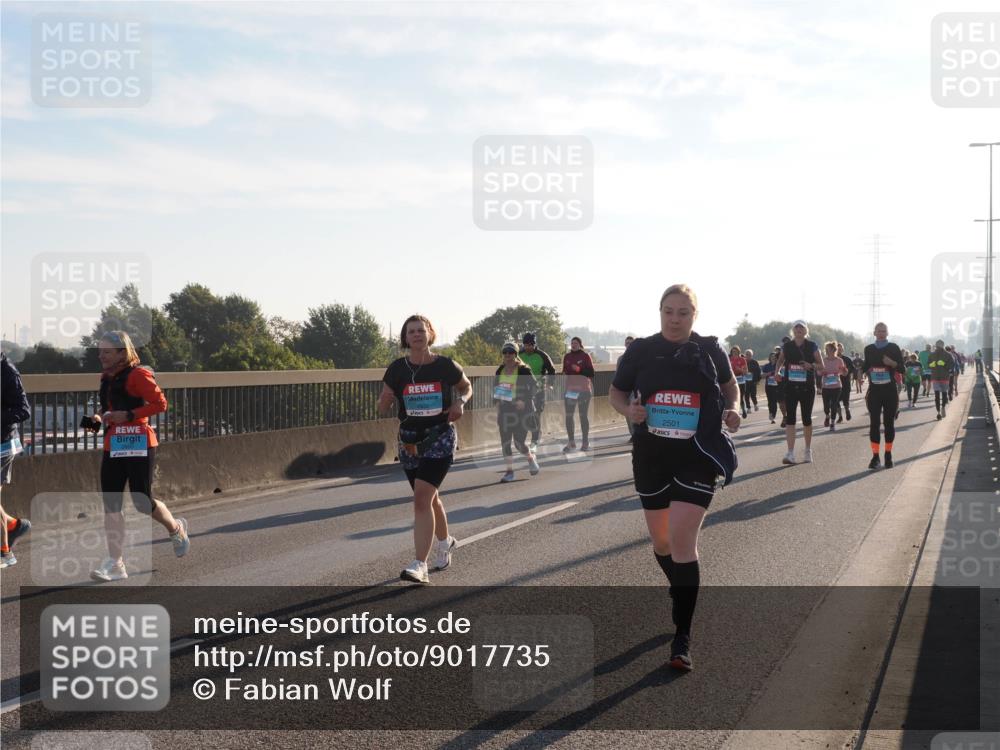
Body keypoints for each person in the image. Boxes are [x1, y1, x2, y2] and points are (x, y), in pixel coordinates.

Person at [609, 284, 739, 672]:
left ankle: (682, 637)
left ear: (694, 315)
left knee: (683, 543)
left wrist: (732, 411)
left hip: (697, 455)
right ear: (660, 312)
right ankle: (681, 588)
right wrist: (628, 412)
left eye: (683, 312)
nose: (675, 318)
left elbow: (729, 388)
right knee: (662, 542)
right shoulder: (641, 351)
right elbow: (616, 393)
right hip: (651, 455)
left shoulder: (710, 349)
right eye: (669, 311)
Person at [82, 331, 189, 582]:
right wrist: (98, 418)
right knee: (111, 503)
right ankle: (116, 562)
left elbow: (160, 404)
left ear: (122, 352)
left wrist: (128, 415)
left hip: (140, 441)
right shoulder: (106, 378)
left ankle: (175, 528)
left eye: (106, 352)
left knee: (142, 501)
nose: (101, 356)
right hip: (114, 443)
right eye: (100, 352)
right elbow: (108, 408)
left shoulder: (138, 375)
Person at [378, 315, 472, 584]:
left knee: (421, 499)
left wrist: (460, 403)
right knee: (430, 499)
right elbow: (383, 407)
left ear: (430, 334)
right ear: (405, 338)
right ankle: (446, 542)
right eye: (411, 331)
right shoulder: (397, 369)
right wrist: (384, 400)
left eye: (421, 330)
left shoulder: (445, 365)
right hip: (409, 441)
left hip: (439, 437)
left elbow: (466, 387)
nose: (417, 335)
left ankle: (420, 564)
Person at [774, 321, 824, 464]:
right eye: (796, 327)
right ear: (793, 331)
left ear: (806, 330)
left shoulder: (812, 345)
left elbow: (822, 366)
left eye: (801, 327)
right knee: (790, 419)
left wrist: (811, 365)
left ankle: (808, 450)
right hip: (790, 386)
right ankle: (790, 453)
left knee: (806, 418)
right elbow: (780, 361)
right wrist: (777, 372)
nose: (799, 330)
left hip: (807, 387)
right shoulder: (787, 346)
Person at [1, 352, 32, 568]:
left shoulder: (7, 371)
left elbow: (24, 410)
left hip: (3, 444)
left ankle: (5, 553)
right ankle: (13, 525)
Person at [494, 343, 541, 482]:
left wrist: (524, 400)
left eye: (510, 352)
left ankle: (530, 458)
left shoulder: (523, 370)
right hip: (505, 410)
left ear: (515, 354)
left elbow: (535, 387)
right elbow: (496, 390)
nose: (507, 355)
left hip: (522, 411)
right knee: (505, 442)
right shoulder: (500, 370)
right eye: (505, 352)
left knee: (519, 443)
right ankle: (509, 472)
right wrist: (497, 406)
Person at [861, 323, 904, 470]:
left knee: (889, 424)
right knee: (874, 424)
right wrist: (860, 373)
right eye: (879, 331)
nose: (881, 333)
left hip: (890, 391)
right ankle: (875, 457)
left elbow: (902, 368)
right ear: (874, 332)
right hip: (874, 391)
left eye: (884, 331)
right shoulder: (869, 349)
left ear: (887, 332)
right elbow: (866, 365)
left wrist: (892, 363)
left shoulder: (893, 348)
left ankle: (888, 454)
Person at [518, 333, 556, 450]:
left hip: (539, 388)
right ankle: (529, 436)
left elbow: (552, 369)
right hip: (523, 390)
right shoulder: (519, 354)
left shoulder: (542, 355)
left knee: (536, 412)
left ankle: (535, 439)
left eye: (530, 345)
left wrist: (550, 384)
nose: (528, 347)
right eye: (526, 345)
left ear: (534, 345)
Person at [562, 337, 595, 452]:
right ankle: (571, 442)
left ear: (580, 345)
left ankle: (585, 442)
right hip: (570, 391)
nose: (573, 345)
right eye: (572, 343)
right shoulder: (567, 357)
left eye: (575, 343)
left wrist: (579, 370)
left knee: (582, 415)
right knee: (569, 416)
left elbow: (591, 373)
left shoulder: (585, 356)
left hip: (584, 391)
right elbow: (565, 371)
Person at [819, 342, 847, 431]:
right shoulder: (823, 360)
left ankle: (832, 423)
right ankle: (827, 415)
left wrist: (843, 371)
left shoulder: (839, 360)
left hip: (836, 386)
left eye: (829, 349)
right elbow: (818, 372)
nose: (827, 351)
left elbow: (844, 373)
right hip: (826, 386)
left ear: (834, 350)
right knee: (826, 405)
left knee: (834, 404)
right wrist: (822, 372)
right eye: (826, 349)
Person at [929, 340, 954, 421]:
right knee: (936, 395)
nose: (938, 347)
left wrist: (944, 364)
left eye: (939, 345)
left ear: (943, 345)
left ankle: (943, 407)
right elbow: (928, 364)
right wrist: (931, 365)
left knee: (944, 394)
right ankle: (938, 412)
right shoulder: (932, 354)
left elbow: (951, 365)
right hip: (935, 377)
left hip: (944, 377)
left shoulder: (948, 355)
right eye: (937, 345)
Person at [761, 351, 785, 424]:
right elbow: (762, 376)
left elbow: (782, 374)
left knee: (779, 401)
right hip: (769, 386)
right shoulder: (766, 366)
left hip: (777, 386)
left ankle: (783, 416)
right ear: (769, 358)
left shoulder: (779, 366)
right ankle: (772, 415)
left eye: (775, 357)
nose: (773, 358)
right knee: (771, 402)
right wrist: (769, 373)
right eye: (772, 357)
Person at [729, 346, 750, 419]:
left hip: (741, 380)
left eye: (735, 351)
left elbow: (746, 372)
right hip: (732, 380)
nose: (734, 353)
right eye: (733, 352)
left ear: (738, 352)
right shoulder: (729, 360)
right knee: (733, 397)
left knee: (740, 396)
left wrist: (740, 369)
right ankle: (736, 412)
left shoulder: (742, 360)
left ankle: (744, 409)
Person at [836, 342, 855, 422]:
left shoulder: (847, 359)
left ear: (842, 350)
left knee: (845, 400)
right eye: (837, 349)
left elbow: (853, 369)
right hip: (835, 383)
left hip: (845, 382)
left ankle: (847, 411)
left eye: (840, 349)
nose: (839, 351)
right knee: (835, 400)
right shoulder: (832, 359)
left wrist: (847, 371)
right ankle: (840, 416)